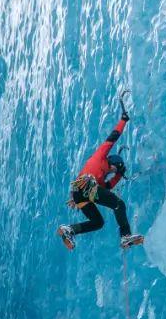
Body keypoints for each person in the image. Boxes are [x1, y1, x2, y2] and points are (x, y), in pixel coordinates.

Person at [58, 102, 143, 250]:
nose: (114, 172)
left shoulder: (101, 179)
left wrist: (119, 175)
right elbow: (113, 137)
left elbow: (107, 187)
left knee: (98, 222)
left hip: (80, 193)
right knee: (119, 204)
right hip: (85, 185)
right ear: (114, 163)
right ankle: (125, 236)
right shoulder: (100, 157)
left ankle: (69, 230)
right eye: (116, 169)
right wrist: (123, 120)